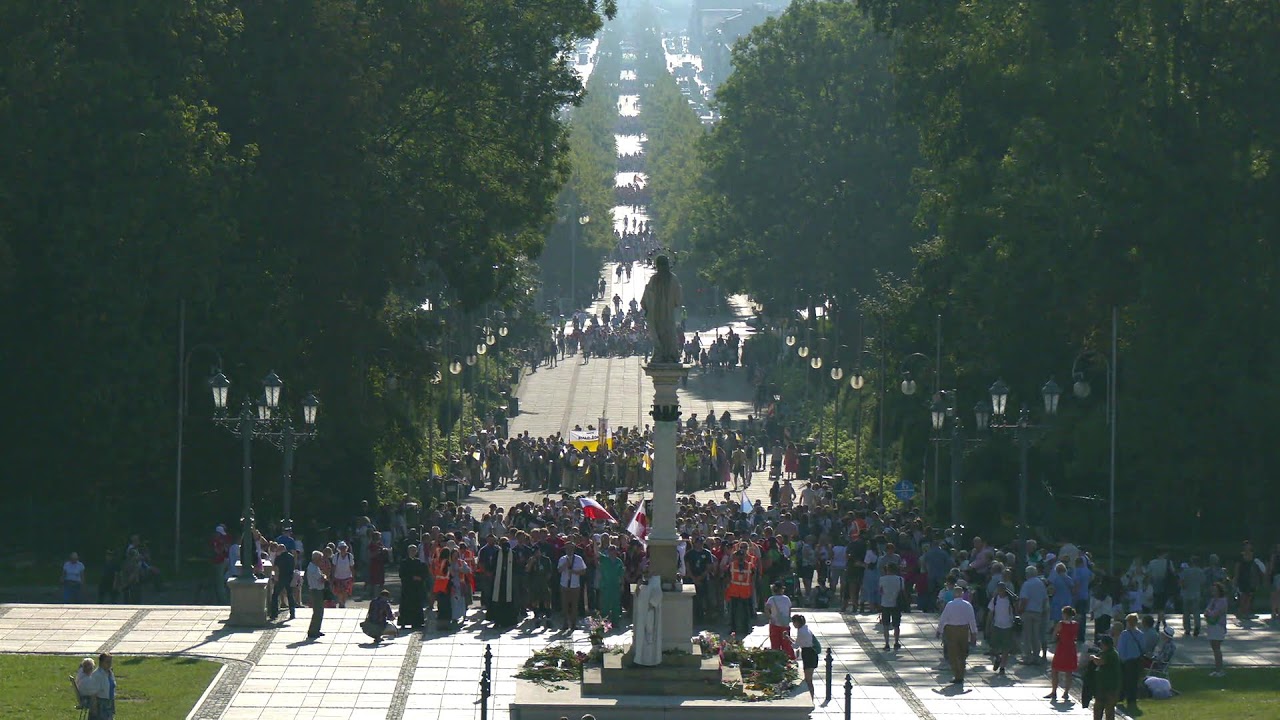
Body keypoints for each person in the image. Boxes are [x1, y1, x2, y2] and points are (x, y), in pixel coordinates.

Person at [937, 590, 978, 684]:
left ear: (954, 594)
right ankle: (961, 674)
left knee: (953, 654)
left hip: (951, 630)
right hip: (963, 630)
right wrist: (974, 633)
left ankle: (957, 674)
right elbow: (972, 620)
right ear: (962, 594)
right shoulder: (967, 605)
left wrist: (939, 630)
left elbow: (943, 619)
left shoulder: (950, 605)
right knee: (962, 654)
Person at [1047, 606, 1080, 702]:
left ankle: (1054, 691)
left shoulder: (1061, 624)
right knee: (1069, 672)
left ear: (1065, 614)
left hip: (1062, 648)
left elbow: (1054, 635)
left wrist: (1056, 638)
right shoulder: (1075, 624)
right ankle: (1066, 692)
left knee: (1055, 670)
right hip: (1071, 648)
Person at [1018, 565, 1049, 663]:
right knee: (1036, 635)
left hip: (1028, 611)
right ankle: (1036, 656)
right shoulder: (1041, 583)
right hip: (1038, 612)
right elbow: (1045, 598)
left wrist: (1020, 610)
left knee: (1027, 635)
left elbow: (1024, 599)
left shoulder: (1027, 584)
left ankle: (1028, 657)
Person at [986, 582, 1016, 675]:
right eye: (999, 589)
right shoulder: (994, 600)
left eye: (1002, 589)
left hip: (1008, 626)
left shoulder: (1010, 600)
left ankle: (1002, 666)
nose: (1000, 591)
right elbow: (990, 613)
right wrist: (988, 624)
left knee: (1006, 648)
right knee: (994, 646)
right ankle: (998, 659)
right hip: (996, 625)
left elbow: (1015, 610)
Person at [1089, 635, 1122, 720]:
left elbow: (1100, 662)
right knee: (1097, 709)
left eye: (1102, 644)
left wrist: (1093, 658)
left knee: (1109, 710)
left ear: (1106, 644)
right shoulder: (1105, 653)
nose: (1101, 646)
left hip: (1110, 687)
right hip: (1101, 686)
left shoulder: (1112, 654)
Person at [1116, 613, 1144, 712]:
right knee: (1134, 681)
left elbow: (1121, 648)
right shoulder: (1140, 634)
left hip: (1126, 661)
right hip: (1136, 661)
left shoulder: (1124, 634)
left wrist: (1120, 659)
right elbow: (1143, 648)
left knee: (1124, 680)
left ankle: (1121, 697)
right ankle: (1132, 699)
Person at [398, 545, 428, 629]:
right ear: (408, 552)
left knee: (417, 605)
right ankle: (404, 622)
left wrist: (420, 578)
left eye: (414, 550)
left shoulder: (420, 562)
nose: (413, 552)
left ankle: (417, 622)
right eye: (411, 550)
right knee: (406, 605)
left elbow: (425, 573)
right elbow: (402, 574)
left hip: (417, 588)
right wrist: (411, 577)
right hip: (407, 587)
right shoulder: (404, 562)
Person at [877, 562, 905, 651]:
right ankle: (896, 642)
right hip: (897, 604)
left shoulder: (882, 579)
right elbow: (902, 590)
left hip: (885, 603)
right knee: (896, 625)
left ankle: (887, 643)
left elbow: (880, 591)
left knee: (886, 625)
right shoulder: (900, 579)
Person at [558, 545, 587, 631]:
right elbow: (559, 570)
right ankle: (565, 623)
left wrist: (574, 571)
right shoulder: (562, 559)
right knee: (565, 605)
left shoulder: (579, 559)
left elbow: (583, 571)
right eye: (567, 549)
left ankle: (573, 624)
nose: (569, 550)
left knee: (574, 605)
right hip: (564, 584)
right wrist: (565, 565)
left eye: (570, 549)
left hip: (575, 585)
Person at [1204, 581, 1229, 677]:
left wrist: (1209, 613)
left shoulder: (1222, 601)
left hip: (1218, 626)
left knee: (1217, 647)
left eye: (1215, 590)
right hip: (1211, 625)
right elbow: (1207, 611)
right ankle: (1217, 668)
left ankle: (1220, 669)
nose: (1213, 591)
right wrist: (1208, 613)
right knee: (1214, 648)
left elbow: (1215, 613)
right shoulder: (1213, 600)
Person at [765, 582, 795, 659]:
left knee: (775, 645)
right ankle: (788, 659)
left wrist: (771, 618)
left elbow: (766, 609)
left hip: (774, 624)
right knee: (786, 644)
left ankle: (776, 660)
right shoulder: (787, 599)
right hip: (785, 624)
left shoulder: (771, 599)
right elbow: (789, 610)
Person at [83, 652, 116, 720]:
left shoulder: (110, 673)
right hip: (100, 705)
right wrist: (94, 709)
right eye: (107, 662)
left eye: (110, 662)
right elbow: (93, 694)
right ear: (101, 663)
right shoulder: (97, 675)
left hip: (109, 703)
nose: (110, 664)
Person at [792, 614, 818, 697]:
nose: (793, 624)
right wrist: (788, 638)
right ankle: (810, 696)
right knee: (808, 679)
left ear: (797, 622)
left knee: (808, 680)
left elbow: (796, 645)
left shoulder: (802, 631)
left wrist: (787, 639)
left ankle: (811, 697)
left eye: (794, 622)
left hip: (809, 654)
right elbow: (798, 643)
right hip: (809, 654)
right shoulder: (804, 629)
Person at [269, 545, 296, 621]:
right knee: (290, 595)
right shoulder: (291, 557)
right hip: (289, 577)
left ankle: (274, 613)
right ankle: (292, 613)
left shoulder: (279, 557)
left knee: (275, 595)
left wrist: (275, 578)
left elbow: (276, 568)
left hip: (281, 578)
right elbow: (293, 567)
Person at [305, 550, 327, 639]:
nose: (321, 561)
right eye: (320, 559)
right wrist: (324, 577)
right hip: (316, 591)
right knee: (318, 612)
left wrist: (323, 576)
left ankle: (316, 629)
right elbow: (322, 579)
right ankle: (313, 631)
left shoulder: (314, 567)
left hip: (317, 590)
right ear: (316, 559)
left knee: (319, 612)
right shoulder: (313, 568)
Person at [331, 541, 356, 608]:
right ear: (339, 548)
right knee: (339, 591)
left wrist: (353, 576)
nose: (343, 549)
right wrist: (332, 576)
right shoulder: (336, 556)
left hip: (347, 577)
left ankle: (343, 602)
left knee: (345, 591)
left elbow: (352, 567)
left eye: (344, 548)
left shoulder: (349, 556)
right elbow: (333, 567)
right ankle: (341, 602)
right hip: (338, 577)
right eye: (341, 548)